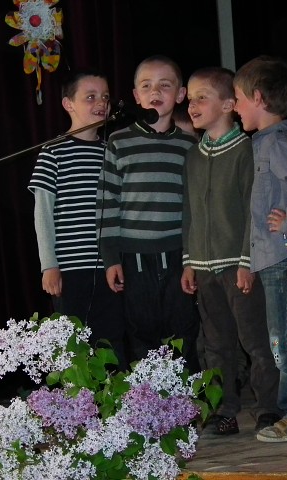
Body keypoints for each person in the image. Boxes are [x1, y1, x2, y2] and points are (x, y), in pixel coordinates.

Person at [181, 66, 280, 435]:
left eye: (201, 97)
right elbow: (189, 213)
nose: (192, 105)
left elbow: (254, 210)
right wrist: (188, 261)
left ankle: (268, 407)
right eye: (190, 98)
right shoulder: (193, 157)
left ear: (227, 104)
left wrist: (246, 261)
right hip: (204, 268)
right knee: (216, 344)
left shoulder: (245, 151)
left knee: (255, 341)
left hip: (238, 265)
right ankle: (224, 409)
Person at [233, 55, 287, 443]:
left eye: (238, 99)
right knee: (280, 339)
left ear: (257, 98)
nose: (235, 107)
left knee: (286, 340)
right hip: (273, 256)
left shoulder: (279, 142)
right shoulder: (261, 143)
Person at [96, 55, 200, 371]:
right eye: (146, 86)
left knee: (183, 332)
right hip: (134, 259)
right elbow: (107, 202)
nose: (155, 91)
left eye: (164, 85)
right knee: (141, 335)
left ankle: (185, 398)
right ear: (136, 95)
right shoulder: (119, 141)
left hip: (178, 255)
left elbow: (195, 208)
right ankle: (148, 401)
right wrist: (111, 258)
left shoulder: (189, 145)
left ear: (180, 95)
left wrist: (192, 259)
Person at [28, 70, 126, 370]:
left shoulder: (112, 151)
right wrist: (49, 265)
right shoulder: (52, 152)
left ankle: (115, 396)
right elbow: (43, 213)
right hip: (70, 268)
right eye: (90, 97)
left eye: (105, 97)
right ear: (68, 104)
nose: (101, 103)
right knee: (73, 346)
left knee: (111, 342)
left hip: (109, 266)